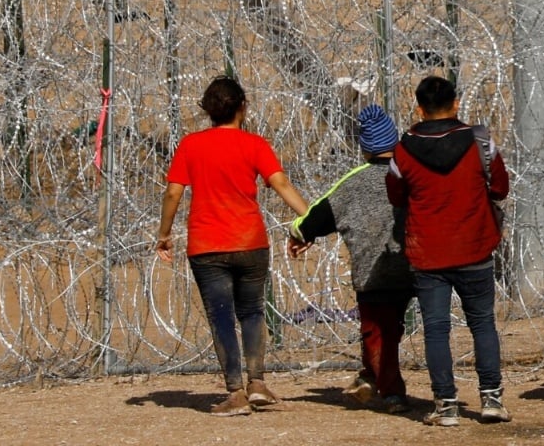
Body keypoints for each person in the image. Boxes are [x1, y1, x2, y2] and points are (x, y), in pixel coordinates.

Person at [155, 76, 310, 416]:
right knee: (252, 311)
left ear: (208, 111)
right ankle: (257, 383)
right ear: (242, 107)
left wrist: (163, 233)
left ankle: (235, 391)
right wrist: (310, 220)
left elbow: (173, 192)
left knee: (222, 317)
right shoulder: (254, 144)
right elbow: (280, 183)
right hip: (250, 242)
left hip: (207, 245)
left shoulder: (191, 145)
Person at [385, 76, 511, 426]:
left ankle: (446, 405)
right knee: (483, 323)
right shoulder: (480, 141)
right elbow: (500, 187)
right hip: (475, 246)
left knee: (436, 329)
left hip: (428, 252)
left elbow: (395, 196)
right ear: (456, 104)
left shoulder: (403, 149)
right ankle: (491, 400)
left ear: (420, 109)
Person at [287, 105, 415, 414]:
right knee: (390, 328)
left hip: (371, 273)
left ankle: (392, 392)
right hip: (411, 267)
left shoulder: (353, 182)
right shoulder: (411, 174)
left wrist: (298, 234)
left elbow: (314, 216)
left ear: (364, 149)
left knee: (376, 332)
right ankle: (371, 376)